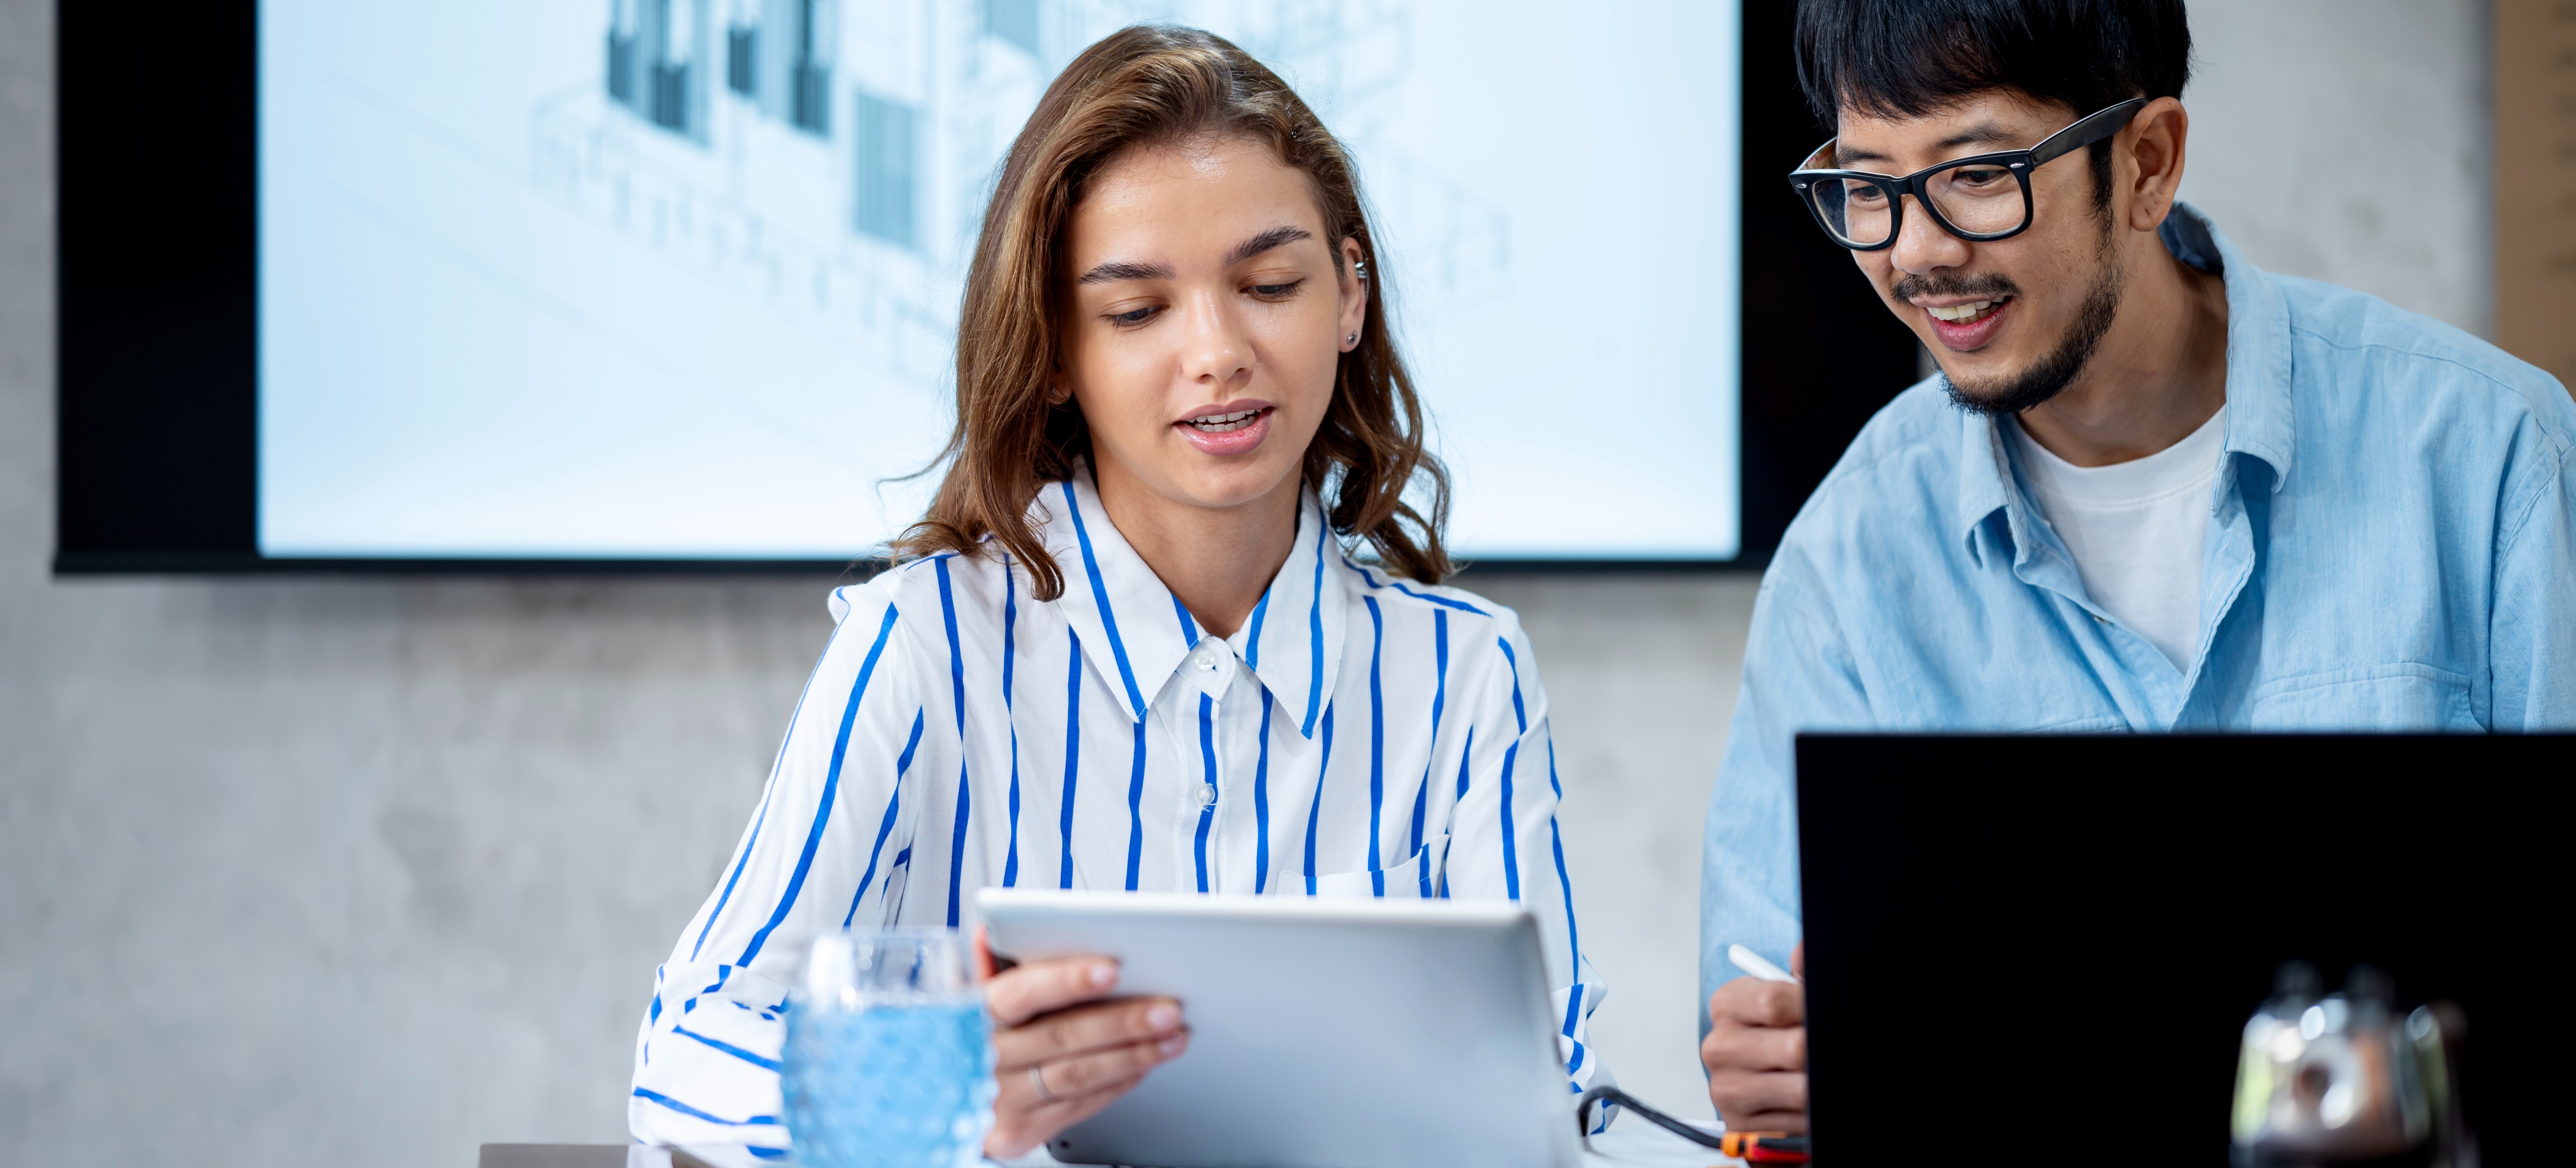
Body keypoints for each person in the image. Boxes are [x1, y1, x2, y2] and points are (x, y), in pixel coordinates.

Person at [629, 25, 1606, 1159]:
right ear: (1055, 350)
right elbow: (687, 1043)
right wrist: (941, 1092)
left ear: (1350, 293)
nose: (1217, 352)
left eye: (1270, 285)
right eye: (1137, 311)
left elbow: (1554, 1086)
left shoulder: (1466, 674)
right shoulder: (922, 645)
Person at [1699, 0, 2575, 1135]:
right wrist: (1777, 1076)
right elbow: (1769, 1005)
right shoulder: (1850, 554)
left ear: (2147, 162)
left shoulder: (2491, 455)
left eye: (1977, 174)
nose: (1916, 252)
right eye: (1868, 187)